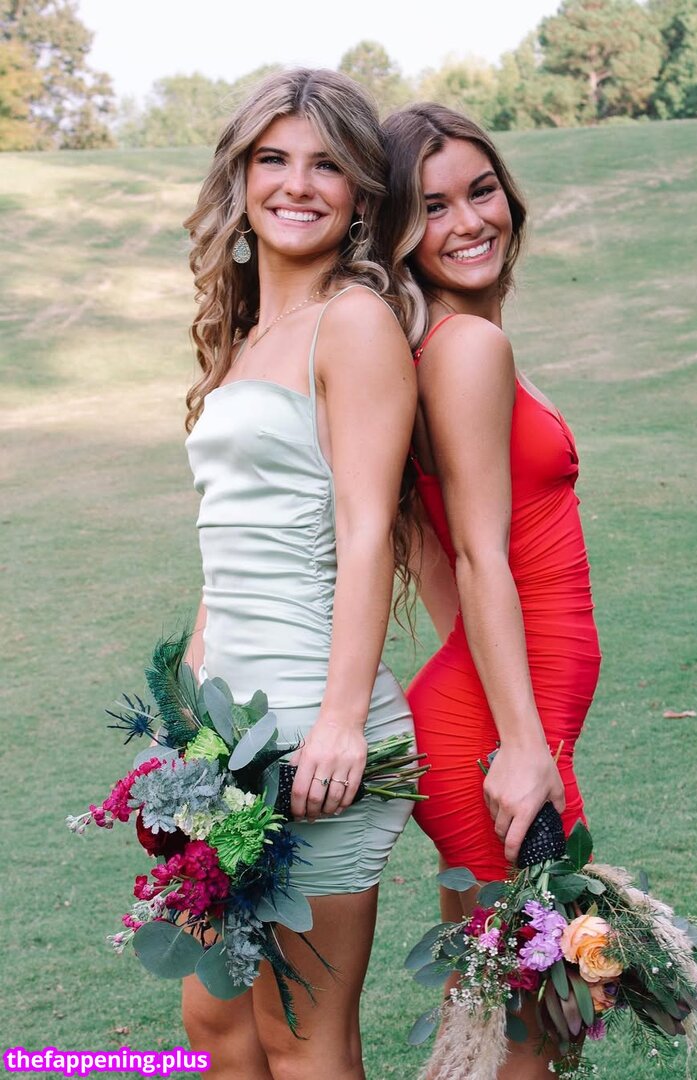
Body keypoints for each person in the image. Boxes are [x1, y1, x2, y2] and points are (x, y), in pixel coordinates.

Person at [181, 69, 418, 1080]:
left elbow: (366, 531)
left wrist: (341, 722)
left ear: (361, 194)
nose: (296, 183)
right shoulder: (242, 338)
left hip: (318, 735)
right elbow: (227, 539)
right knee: (217, 1024)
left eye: (327, 165)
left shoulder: (351, 322)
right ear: (239, 180)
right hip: (228, 733)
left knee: (301, 1037)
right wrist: (189, 709)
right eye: (272, 159)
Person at [381, 104, 602, 1077]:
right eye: (432, 207)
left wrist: (493, 703)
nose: (470, 221)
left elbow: (434, 545)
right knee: (529, 1027)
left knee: (497, 1020)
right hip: (502, 738)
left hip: (497, 718)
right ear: (397, 231)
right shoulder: (464, 349)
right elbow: (473, 554)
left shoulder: (446, 343)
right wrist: (515, 743)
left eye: (481, 191)